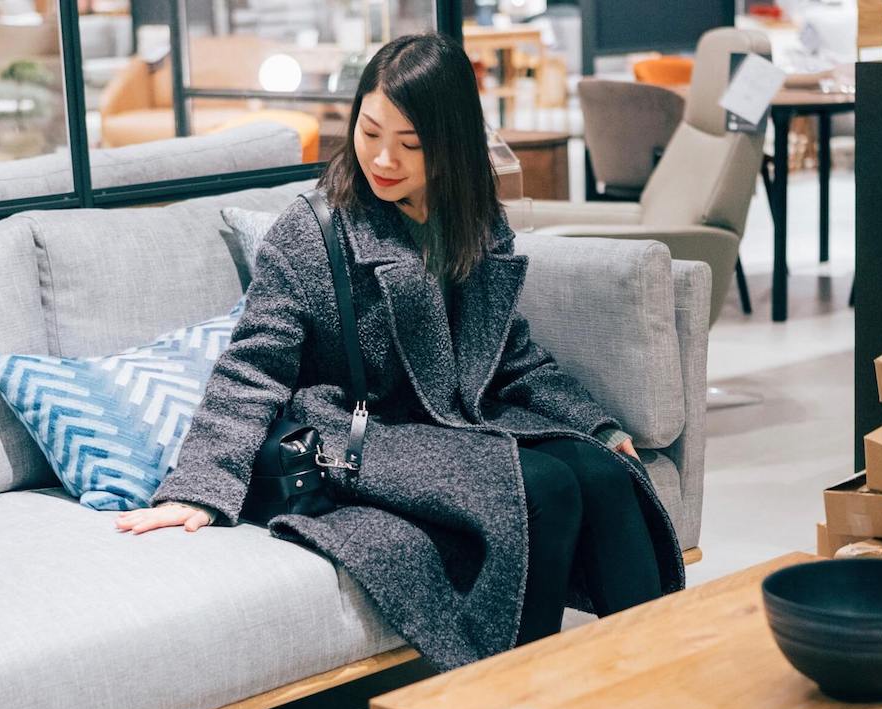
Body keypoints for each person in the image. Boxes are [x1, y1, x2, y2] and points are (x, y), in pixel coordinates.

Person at [114, 32, 683, 669]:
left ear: (453, 142)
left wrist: (590, 422)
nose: (383, 159)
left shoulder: (469, 213)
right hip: (358, 435)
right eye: (370, 131)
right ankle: (509, 694)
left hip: (455, 421)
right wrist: (200, 485)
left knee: (606, 474)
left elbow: (507, 347)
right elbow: (253, 366)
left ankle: (655, 678)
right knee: (541, 487)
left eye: (411, 144)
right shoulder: (312, 228)